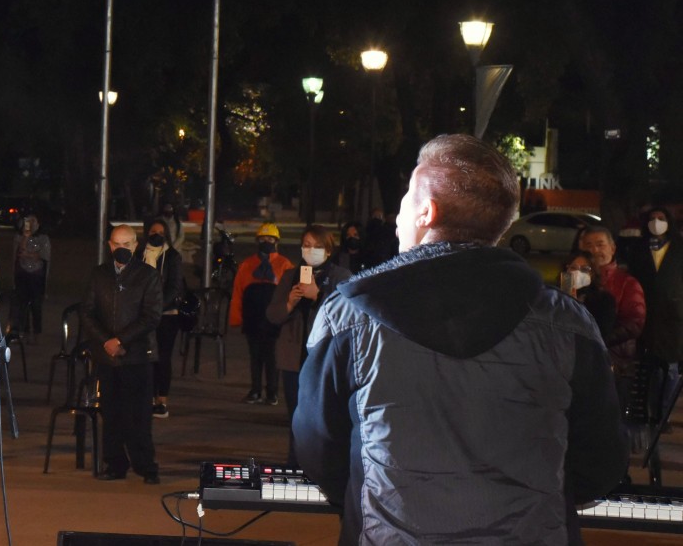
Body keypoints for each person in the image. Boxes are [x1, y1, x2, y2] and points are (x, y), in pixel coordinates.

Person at [293, 134, 629, 544]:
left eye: (404, 201)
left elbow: (317, 448)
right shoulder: (569, 325)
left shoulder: (347, 317)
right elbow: (601, 460)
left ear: (426, 212)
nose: (397, 214)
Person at [82, 223, 162, 484]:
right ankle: (115, 464)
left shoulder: (148, 276)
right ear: (109, 245)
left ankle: (146, 466)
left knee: (138, 416)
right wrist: (106, 341)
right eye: (117, 244)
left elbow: (151, 316)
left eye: (127, 244)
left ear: (136, 246)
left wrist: (121, 339)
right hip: (107, 357)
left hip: (137, 356)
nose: (122, 249)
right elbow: (88, 313)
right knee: (111, 413)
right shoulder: (99, 274)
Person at [266, 225, 350, 464]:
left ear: (328, 249)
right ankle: (295, 461)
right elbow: (272, 315)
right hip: (294, 357)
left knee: (324, 414)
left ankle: (323, 464)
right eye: (307, 245)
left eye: (317, 246)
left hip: (325, 358)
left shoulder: (340, 276)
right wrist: (290, 304)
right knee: (296, 414)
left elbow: (346, 315)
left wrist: (318, 296)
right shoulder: (291, 274)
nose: (311, 250)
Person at [579, 225, 647, 409]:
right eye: (588, 245)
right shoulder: (573, 279)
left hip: (615, 362)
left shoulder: (627, 283)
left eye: (600, 244)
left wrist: (599, 341)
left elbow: (634, 323)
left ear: (612, 248)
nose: (594, 250)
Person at [627, 206, 683, 423]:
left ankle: (663, 414)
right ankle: (651, 412)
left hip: (673, 318)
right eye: (652, 218)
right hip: (647, 315)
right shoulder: (640, 249)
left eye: (661, 218)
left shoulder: (678, 248)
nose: (657, 222)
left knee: (670, 368)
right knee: (651, 368)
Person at [228, 222, 291, 405]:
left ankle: (272, 392)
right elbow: (238, 292)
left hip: (274, 320)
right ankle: (255, 390)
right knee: (255, 356)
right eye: (262, 239)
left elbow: (291, 293)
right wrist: (236, 317)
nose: (266, 242)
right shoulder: (247, 265)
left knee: (272, 356)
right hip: (253, 318)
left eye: (270, 239)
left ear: (276, 241)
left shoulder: (284, 264)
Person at [135, 218, 183, 418]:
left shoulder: (172, 256)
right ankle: (143, 396)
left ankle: (161, 400)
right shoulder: (138, 254)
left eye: (161, 233)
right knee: (141, 356)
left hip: (166, 314)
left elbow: (174, 286)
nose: (156, 235)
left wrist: (158, 306)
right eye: (153, 231)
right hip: (140, 315)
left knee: (162, 356)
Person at [10, 214, 50, 342]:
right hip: (23, 274)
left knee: (36, 305)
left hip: (37, 276)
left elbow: (42, 256)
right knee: (22, 305)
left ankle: (37, 333)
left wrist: (29, 254)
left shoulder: (43, 238)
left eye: (33, 222)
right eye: (28, 222)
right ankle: (24, 331)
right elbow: (19, 252)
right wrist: (25, 237)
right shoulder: (19, 237)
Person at [560, 253, 617, 340]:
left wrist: (576, 307)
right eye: (573, 268)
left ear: (592, 274)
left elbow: (601, 333)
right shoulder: (554, 296)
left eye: (585, 269)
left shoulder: (604, 300)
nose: (577, 272)